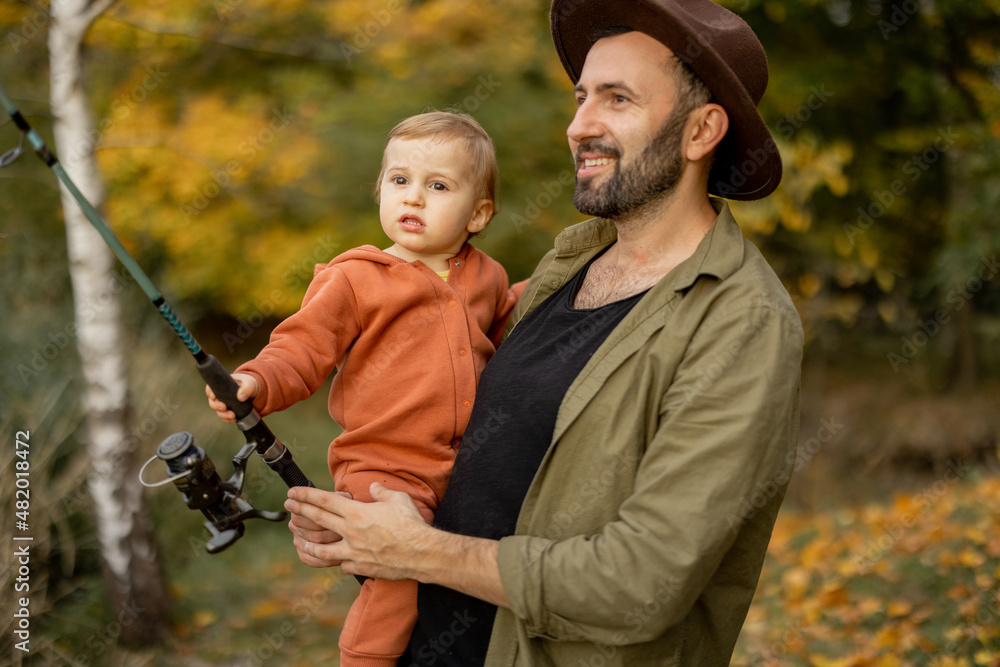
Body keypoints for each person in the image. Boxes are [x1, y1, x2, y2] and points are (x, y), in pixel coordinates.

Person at [283, 1, 804, 665]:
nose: (579, 126)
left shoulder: (741, 322)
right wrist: (364, 525)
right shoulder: (563, 269)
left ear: (701, 130)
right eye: (581, 97)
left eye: (616, 99)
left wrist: (420, 550)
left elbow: (641, 583)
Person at [206, 110, 519, 667]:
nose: (414, 199)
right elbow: (301, 348)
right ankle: (365, 659)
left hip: (466, 459)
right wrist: (256, 379)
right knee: (397, 573)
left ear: (479, 214)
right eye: (400, 181)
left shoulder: (487, 277)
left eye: (437, 186)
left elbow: (510, 341)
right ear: (380, 190)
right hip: (386, 464)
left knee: (463, 574)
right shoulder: (356, 279)